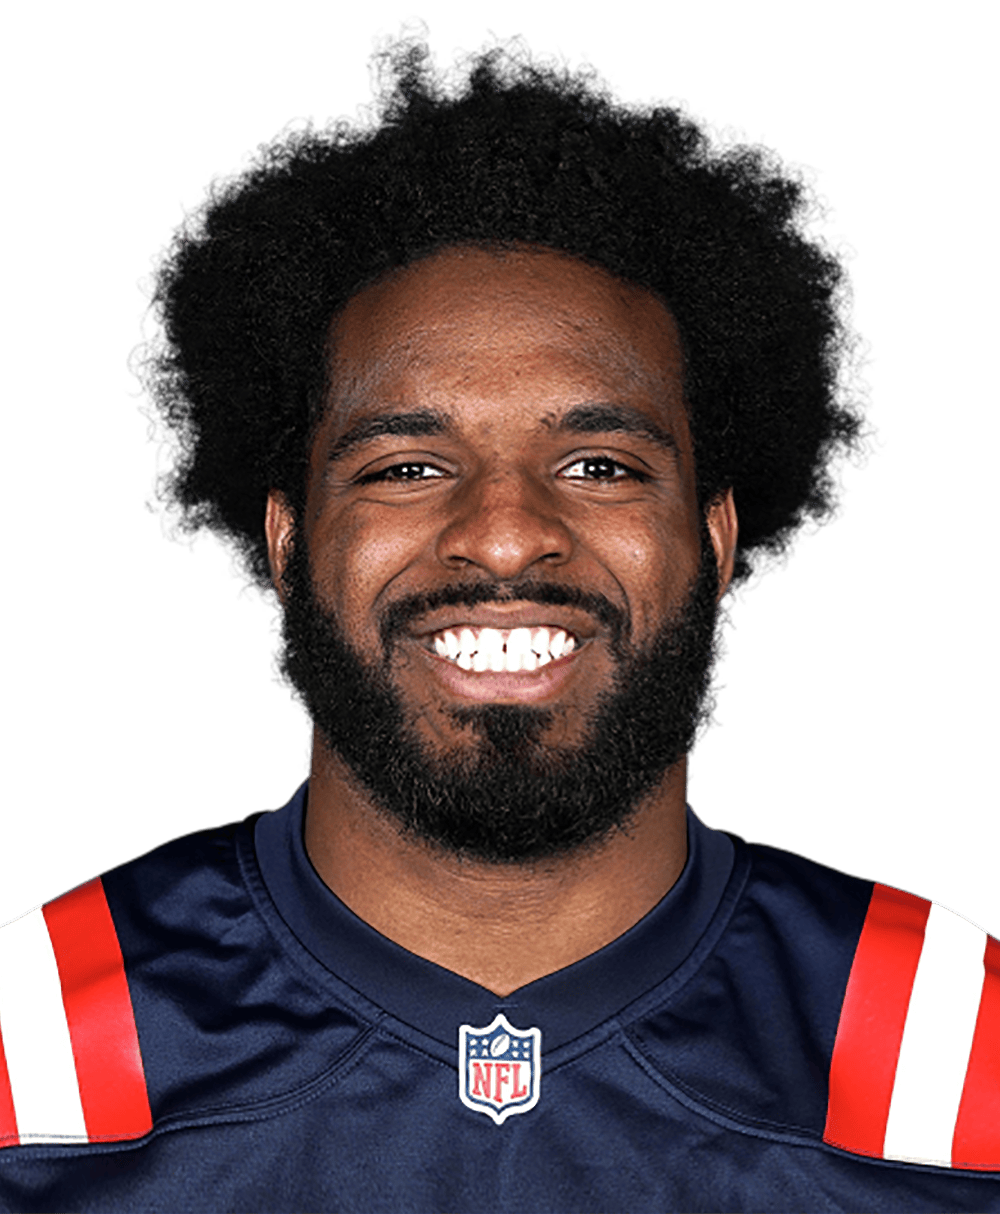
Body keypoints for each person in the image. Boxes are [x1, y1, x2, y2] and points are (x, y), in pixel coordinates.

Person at [0, 14, 997, 1212]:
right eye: (407, 466)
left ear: (716, 537)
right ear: (283, 538)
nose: (507, 532)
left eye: (600, 466)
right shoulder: (36, 1049)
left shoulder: (952, 1052)